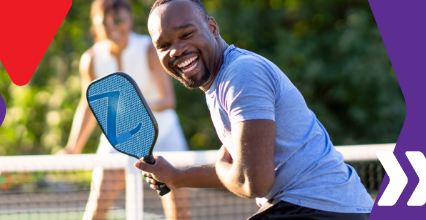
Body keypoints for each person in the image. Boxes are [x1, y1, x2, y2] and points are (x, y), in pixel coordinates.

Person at [134, 0, 375, 219]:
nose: (176, 50)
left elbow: (253, 182)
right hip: (316, 207)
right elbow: (242, 169)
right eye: (164, 45)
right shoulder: (220, 83)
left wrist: (221, 167)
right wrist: (177, 177)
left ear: (212, 27)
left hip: (323, 208)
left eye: (186, 33)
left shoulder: (241, 74)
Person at [57, 0, 192, 219]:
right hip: (117, 142)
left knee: (180, 213)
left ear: (129, 20)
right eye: (104, 22)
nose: (112, 26)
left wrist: (134, 107)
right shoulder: (90, 59)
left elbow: (168, 99)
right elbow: (87, 105)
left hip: (165, 136)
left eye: (118, 20)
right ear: (95, 25)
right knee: (97, 208)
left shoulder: (149, 48)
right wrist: (73, 147)